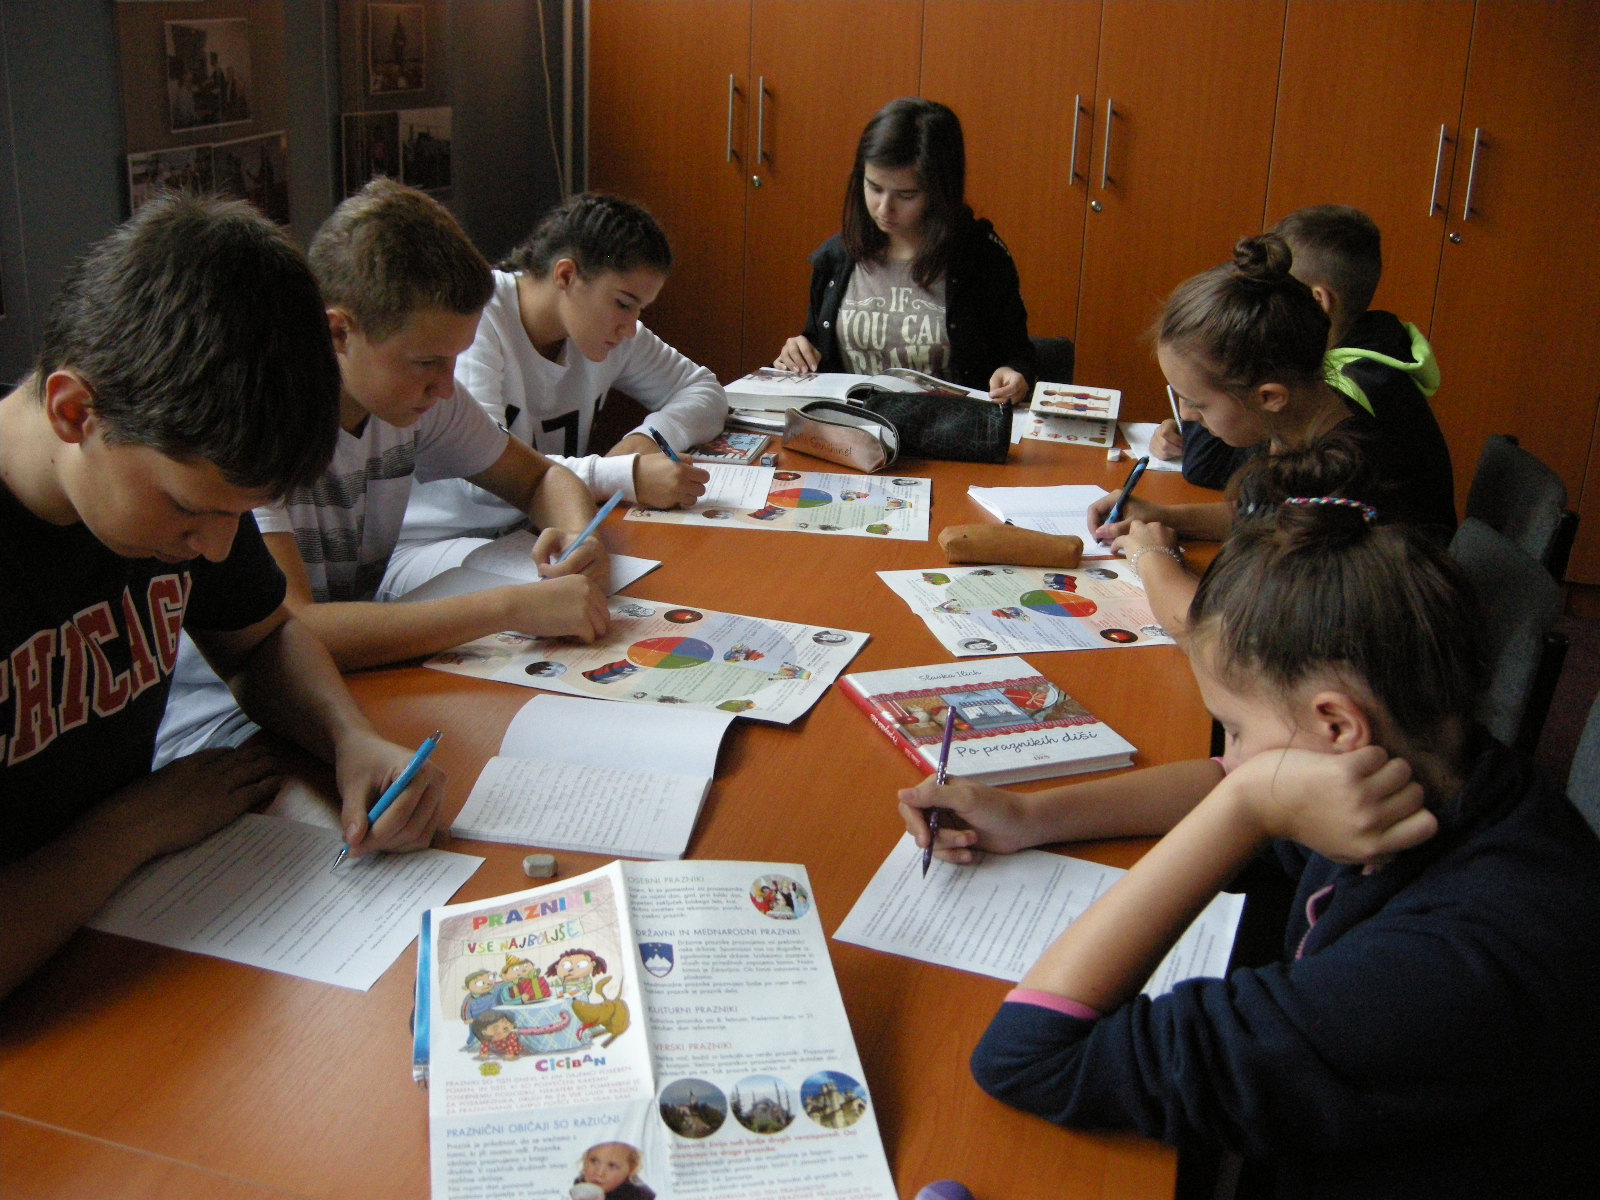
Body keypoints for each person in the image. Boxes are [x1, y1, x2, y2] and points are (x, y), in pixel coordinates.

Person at [900, 495, 1600, 1197]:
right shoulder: (1446, 767)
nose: (1230, 758)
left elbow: (1029, 1058)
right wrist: (1030, 816)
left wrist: (1249, 806)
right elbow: (1226, 780)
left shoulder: (1449, 969)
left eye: (1233, 727)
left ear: (1336, 727)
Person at [0, 193, 445, 999]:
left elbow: (262, 637)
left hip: (125, 925)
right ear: (75, 412)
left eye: (235, 517)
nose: (213, 548)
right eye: (191, 511)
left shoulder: (184, 484)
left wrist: (347, 736)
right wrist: (131, 830)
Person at [154, 179, 609, 766]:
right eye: (427, 363)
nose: (446, 386)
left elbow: (541, 478)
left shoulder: (422, 395)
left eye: (455, 359)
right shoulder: (260, 425)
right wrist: (511, 608)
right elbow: (289, 630)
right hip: (230, 719)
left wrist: (576, 537)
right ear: (338, 332)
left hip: (353, 689)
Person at [1090, 232, 1457, 632]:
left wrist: (1153, 559)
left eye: (1197, 402)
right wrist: (1166, 516)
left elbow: (1224, 636)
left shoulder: (1339, 490)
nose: (1187, 416)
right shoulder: (1302, 420)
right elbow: (1261, 514)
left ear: (1269, 396)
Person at [386, 192, 723, 594]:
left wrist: (646, 439)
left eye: (640, 309)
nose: (630, 326)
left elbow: (705, 390)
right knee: (576, 597)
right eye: (623, 303)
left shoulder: (609, 331)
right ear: (566, 276)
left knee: (650, 579)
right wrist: (623, 475)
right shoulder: (478, 315)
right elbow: (480, 477)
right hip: (435, 542)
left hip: (531, 529)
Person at [1149, 205, 1445, 491]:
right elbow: (1258, 508)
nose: (1253, 301)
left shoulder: (1342, 397)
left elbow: (1208, 468)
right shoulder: (1364, 349)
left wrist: (1202, 397)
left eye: (1276, 287)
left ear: (1317, 300)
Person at [773, 97, 1036, 403]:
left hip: (951, 426)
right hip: (851, 424)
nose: (884, 208)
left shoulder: (982, 259)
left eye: (906, 195)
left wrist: (1015, 374)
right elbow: (819, 345)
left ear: (939, 191)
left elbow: (1020, 355)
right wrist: (799, 350)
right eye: (874, 188)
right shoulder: (838, 257)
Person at [574, 1141, 655, 1200]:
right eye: (594, 1161)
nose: (599, 1173)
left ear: (632, 1169)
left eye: (612, 1166)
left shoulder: (638, 1196)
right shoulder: (581, 1185)